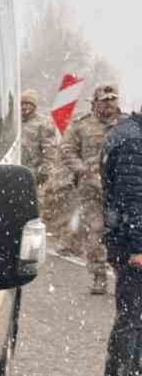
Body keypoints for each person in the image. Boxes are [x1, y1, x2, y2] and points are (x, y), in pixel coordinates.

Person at [58, 83, 124, 294]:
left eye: (112, 99)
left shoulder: (127, 124)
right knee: (95, 232)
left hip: (121, 190)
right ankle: (99, 276)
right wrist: (83, 170)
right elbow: (67, 150)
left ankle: (124, 277)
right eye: (104, 101)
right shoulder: (82, 125)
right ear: (95, 102)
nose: (109, 104)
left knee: (123, 233)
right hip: (91, 190)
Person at [99, 102, 142, 376]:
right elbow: (133, 201)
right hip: (133, 247)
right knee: (131, 319)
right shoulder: (134, 142)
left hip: (127, 242)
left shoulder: (128, 134)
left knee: (134, 318)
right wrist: (138, 248)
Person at [20, 88, 62, 219]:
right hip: (18, 171)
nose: (24, 107)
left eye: (28, 103)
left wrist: (44, 172)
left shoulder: (43, 123)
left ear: (34, 106)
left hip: (35, 174)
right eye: (22, 103)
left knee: (35, 209)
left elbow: (50, 151)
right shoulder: (15, 122)